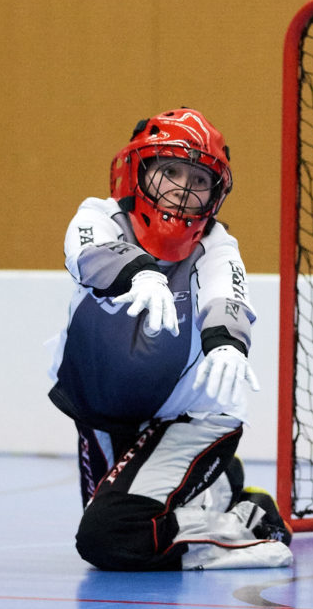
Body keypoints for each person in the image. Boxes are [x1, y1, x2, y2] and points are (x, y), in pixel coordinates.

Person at [47, 107, 293, 571]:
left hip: (189, 418)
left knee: (110, 537)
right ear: (137, 173)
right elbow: (87, 252)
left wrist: (227, 341)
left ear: (215, 193)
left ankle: (249, 522)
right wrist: (140, 274)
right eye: (170, 172)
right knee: (125, 528)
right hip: (105, 414)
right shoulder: (97, 215)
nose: (183, 189)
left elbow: (228, 292)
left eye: (198, 180)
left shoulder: (216, 244)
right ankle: (224, 485)